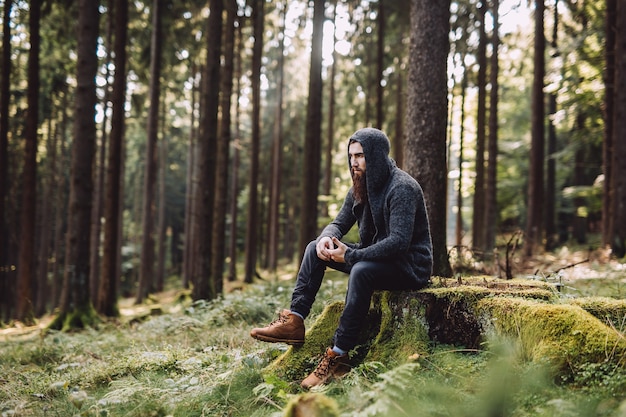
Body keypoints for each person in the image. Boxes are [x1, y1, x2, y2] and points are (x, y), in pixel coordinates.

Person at [250, 127, 433, 389]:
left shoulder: (402, 187)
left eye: (359, 156)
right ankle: (295, 321)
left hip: (410, 266)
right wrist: (328, 237)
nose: (353, 163)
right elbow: (339, 222)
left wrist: (352, 255)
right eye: (351, 156)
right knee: (315, 248)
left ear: (377, 156)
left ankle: (338, 353)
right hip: (376, 256)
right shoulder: (360, 186)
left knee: (361, 270)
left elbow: (399, 243)